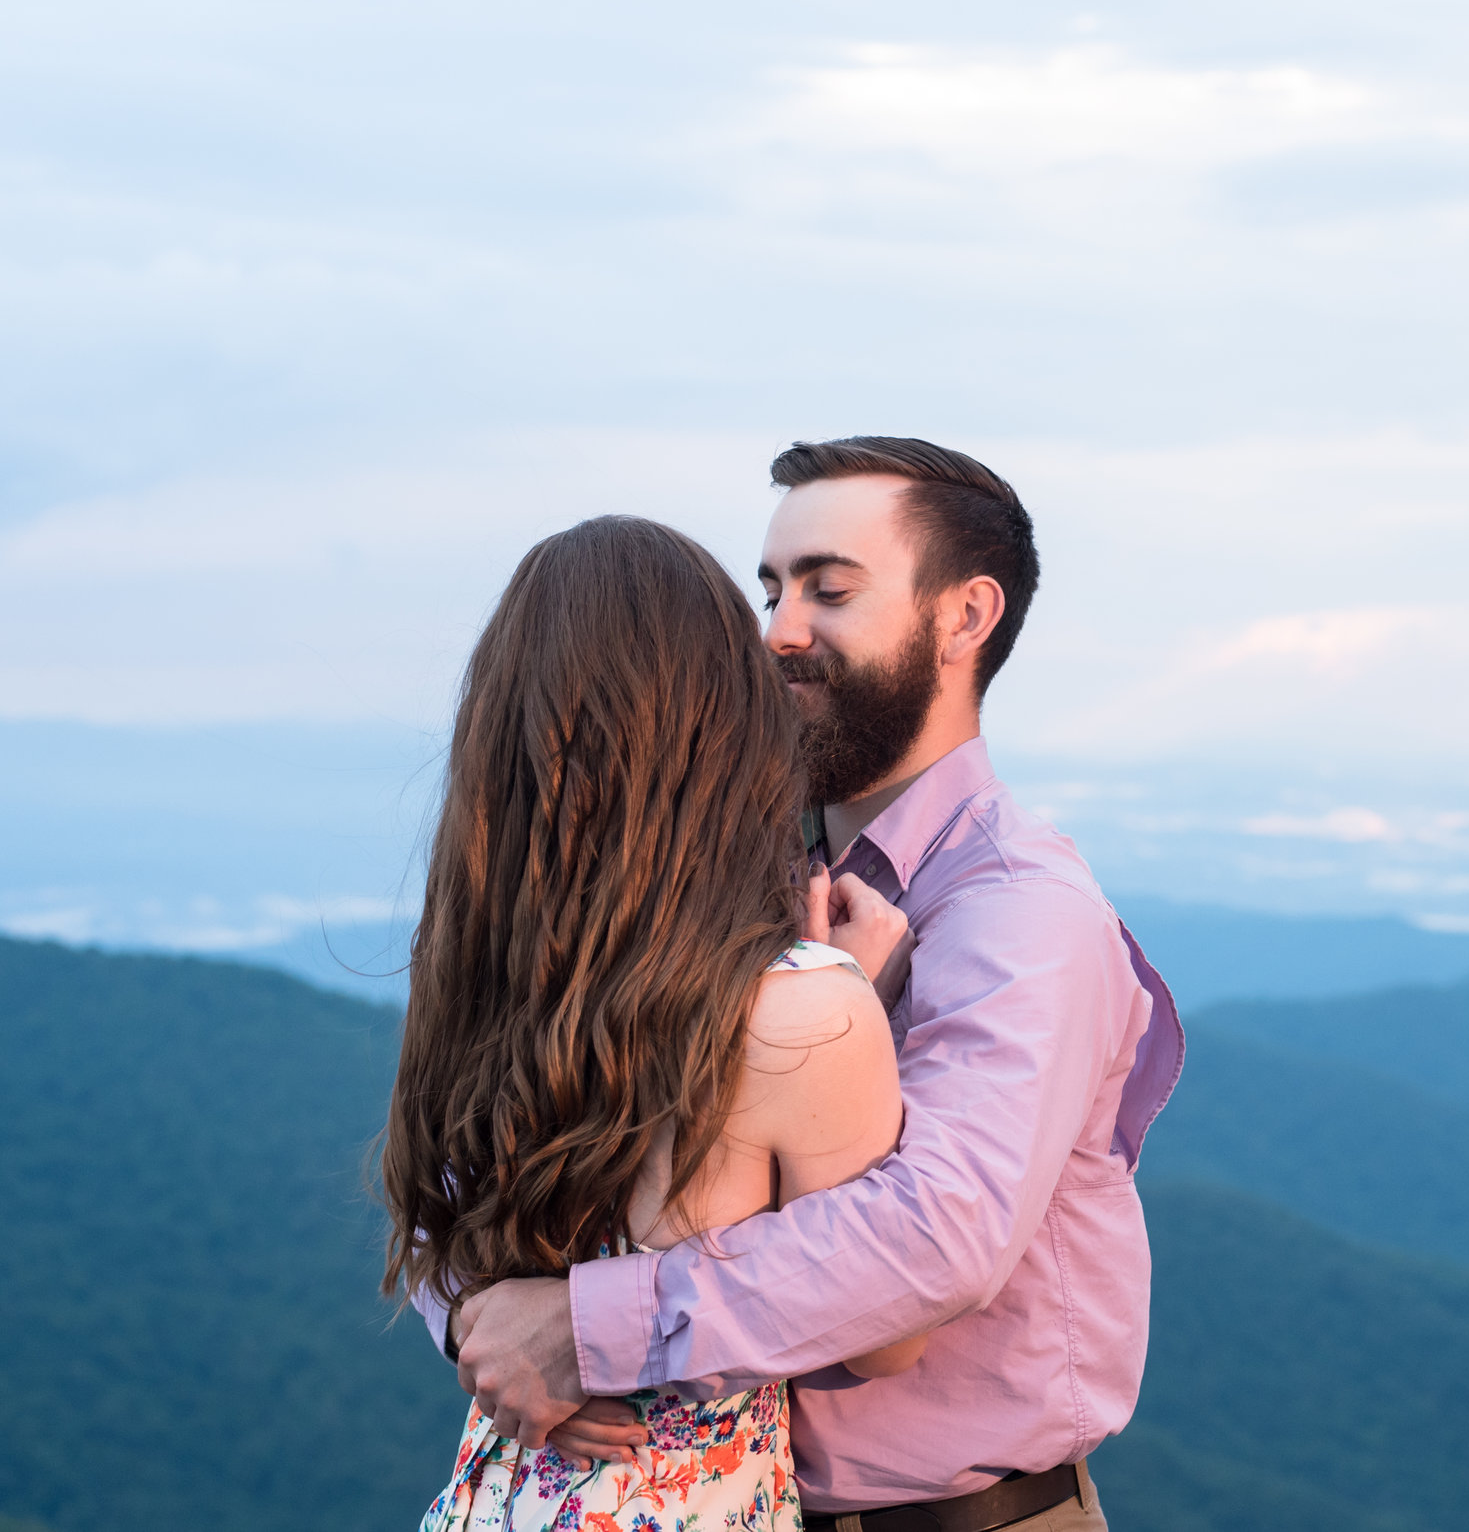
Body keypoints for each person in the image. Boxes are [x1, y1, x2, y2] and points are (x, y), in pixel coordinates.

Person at [442, 438, 1185, 1532]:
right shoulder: (697, 870)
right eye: (771, 588)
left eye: (829, 589)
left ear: (963, 618)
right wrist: (474, 1312)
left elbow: (935, 1236)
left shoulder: (1021, 912)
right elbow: (488, 1103)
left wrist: (585, 1324)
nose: (779, 628)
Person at [380, 514, 920, 1530]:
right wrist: (854, 1002)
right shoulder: (803, 1006)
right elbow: (883, 1335)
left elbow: (435, 1239)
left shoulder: (471, 972)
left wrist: (474, 1334)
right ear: (726, 733)